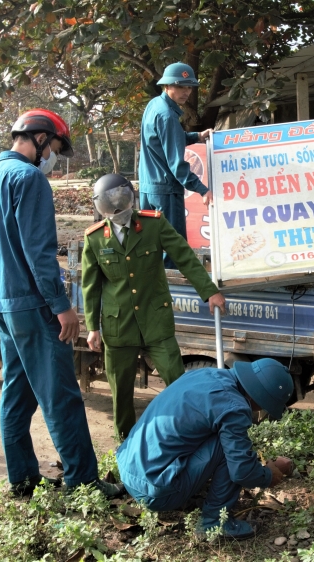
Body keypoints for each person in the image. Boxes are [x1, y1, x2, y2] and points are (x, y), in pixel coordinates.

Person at [0, 108, 123, 499]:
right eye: (54, 148)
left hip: (4, 309)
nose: (52, 157)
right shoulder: (28, 178)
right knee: (61, 395)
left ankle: (22, 480)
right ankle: (84, 485)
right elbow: (39, 251)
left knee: (18, 393)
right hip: (34, 305)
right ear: (40, 138)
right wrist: (61, 305)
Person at [82, 173, 227, 440]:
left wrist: (209, 292)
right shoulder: (94, 239)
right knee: (121, 393)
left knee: (177, 380)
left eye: (122, 201)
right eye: (111, 204)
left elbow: (184, 256)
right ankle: (124, 443)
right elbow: (91, 287)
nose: (118, 208)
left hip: (155, 321)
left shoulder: (153, 225)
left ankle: (190, 434)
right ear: (100, 207)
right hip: (119, 325)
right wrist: (93, 328)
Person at [116, 359, 295, 539]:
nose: (262, 410)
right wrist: (269, 475)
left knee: (219, 438)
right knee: (226, 449)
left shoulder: (206, 374)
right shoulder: (234, 407)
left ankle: (189, 492)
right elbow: (242, 471)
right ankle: (214, 523)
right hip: (153, 492)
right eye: (265, 405)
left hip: (128, 471)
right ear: (259, 397)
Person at [139, 62, 212, 266]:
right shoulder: (168, 116)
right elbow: (177, 164)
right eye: (180, 86)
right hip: (166, 192)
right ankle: (174, 295)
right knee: (173, 249)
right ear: (167, 86)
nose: (186, 92)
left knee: (151, 245)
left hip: (148, 188)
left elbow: (164, 140)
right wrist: (202, 189)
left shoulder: (154, 105)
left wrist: (196, 136)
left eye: (189, 87)